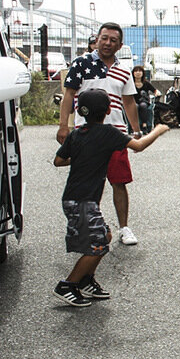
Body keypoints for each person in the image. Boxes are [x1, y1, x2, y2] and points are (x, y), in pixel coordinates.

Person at [53, 88, 168, 307]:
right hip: (83, 201)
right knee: (98, 245)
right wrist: (158, 130)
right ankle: (68, 285)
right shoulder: (108, 133)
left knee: (105, 236)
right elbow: (138, 146)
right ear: (108, 110)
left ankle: (86, 280)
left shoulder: (76, 134)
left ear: (80, 111)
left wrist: (83, 157)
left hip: (73, 199)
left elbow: (58, 161)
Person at [57, 22, 143, 246]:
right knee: (87, 182)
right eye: (104, 38)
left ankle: (124, 227)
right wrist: (63, 126)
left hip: (116, 135)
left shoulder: (124, 69)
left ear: (120, 45)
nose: (107, 43)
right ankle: (87, 224)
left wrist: (136, 130)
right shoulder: (81, 63)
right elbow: (68, 95)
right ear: (97, 39)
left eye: (113, 40)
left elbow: (129, 102)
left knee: (119, 181)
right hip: (85, 134)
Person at [131, 65, 160, 133]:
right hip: (133, 102)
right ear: (133, 73)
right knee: (136, 106)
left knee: (143, 105)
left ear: (143, 73)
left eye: (140, 71)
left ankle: (144, 125)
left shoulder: (146, 83)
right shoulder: (130, 84)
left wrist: (157, 93)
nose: (138, 72)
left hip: (144, 101)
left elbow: (155, 90)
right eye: (136, 71)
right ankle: (134, 126)